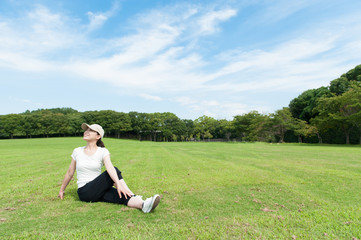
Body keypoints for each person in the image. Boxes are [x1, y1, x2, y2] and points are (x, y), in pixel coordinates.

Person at [58, 123, 160, 213]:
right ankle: (133, 195)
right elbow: (70, 172)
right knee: (114, 171)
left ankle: (143, 205)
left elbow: (109, 167)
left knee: (122, 196)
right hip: (85, 192)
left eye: (90, 130)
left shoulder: (103, 151)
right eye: (86, 130)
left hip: (98, 189)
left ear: (98, 136)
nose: (86, 132)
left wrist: (119, 186)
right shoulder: (77, 151)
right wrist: (61, 190)